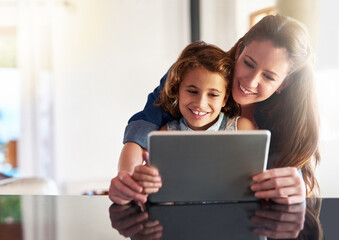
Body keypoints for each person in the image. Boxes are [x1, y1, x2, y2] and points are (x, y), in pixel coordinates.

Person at [109, 14, 320, 205]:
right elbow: (145, 124)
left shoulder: (287, 117)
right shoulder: (197, 73)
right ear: (239, 50)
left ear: (284, 83)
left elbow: (283, 177)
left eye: (269, 76)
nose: (251, 80)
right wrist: (129, 181)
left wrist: (295, 189)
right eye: (248, 63)